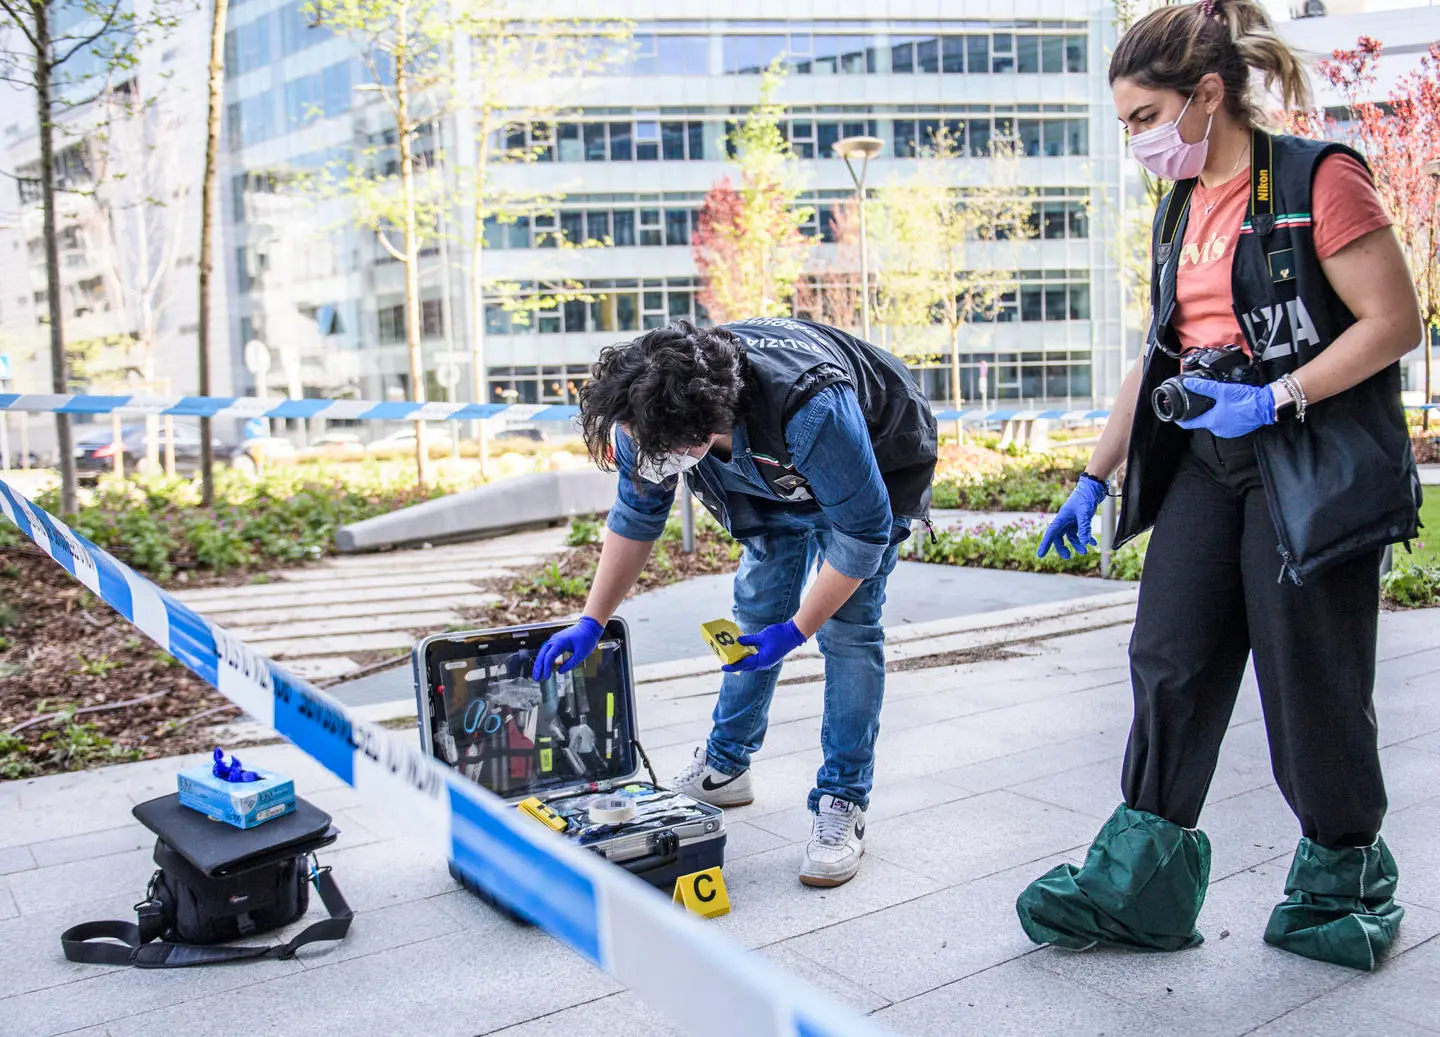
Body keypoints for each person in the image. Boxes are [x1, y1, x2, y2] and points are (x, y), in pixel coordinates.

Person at [1016, 0, 1423, 971]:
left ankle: (1342, 884)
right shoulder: (1182, 202)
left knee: (1310, 680)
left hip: (1307, 462)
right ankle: (1139, 889)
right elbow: (1156, 352)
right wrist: (1092, 472)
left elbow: (1394, 319)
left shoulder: (1319, 181)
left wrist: (1278, 394)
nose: (1136, 142)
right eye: (1125, 124)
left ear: (1206, 94)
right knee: (1169, 657)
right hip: (1206, 459)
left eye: (1142, 117)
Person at [530, 316, 937, 887]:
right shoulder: (649, 402)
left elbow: (863, 535)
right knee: (753, 617)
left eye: (652, 449)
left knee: (847, 631)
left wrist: (797, 630)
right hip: (770, 473)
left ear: (700, 438)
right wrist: (592, 621)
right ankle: (725, 766)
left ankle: (842, 801)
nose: (638, 453)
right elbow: (636, 515)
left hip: (871, 459)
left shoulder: (814, 409)